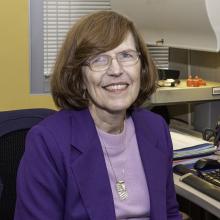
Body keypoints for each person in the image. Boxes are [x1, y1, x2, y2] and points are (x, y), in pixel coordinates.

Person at [14, 11, 182, 220]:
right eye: (99, 59)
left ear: (142, 66)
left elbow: (169, 212)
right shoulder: (48, 142)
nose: (116, 70)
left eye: (126, 55)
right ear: (79, 76)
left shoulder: (156, 128)